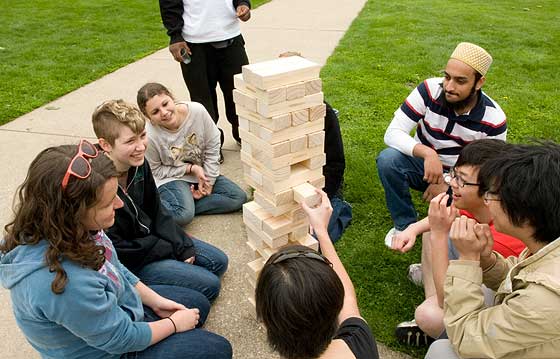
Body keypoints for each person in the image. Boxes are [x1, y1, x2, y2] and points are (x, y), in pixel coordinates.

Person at [0, 142, 232, 358]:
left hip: (118, 308)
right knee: (217, 349)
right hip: (108, 350)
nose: (119, 205)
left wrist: (156, 301)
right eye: (108, 202)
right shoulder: (62, 284)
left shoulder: (76, 228)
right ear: (72, 212)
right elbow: (120, 339)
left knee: (198, 303)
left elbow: (113, 266)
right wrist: (173, 325)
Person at [425, 142, 560, 359]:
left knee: (441, 352)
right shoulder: (547, 247)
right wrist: (487, 262)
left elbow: (465, 340)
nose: (487, 201)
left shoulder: (544, 300)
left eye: (494, 195)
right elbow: (523, 275)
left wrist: (468, 260)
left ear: (527, 213)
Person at [389, 140, 525, 346]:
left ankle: (440, 323)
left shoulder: (501, 240)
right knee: (434, 226)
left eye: (461, 180)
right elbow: (452, 214)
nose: (452, 183)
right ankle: (432, 299)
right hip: (478, 275)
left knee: (428, 315)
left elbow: (450, 299)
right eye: (453, 173)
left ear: (492, 189)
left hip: (494, 307)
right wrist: (413, 229)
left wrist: (438, 233)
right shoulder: (485, 206)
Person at [92, 99, 228, 302]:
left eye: (143, 136)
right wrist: (165, 248)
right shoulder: (96, 183)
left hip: (151, 239)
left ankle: (170, 274)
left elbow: (156, 209)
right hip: (132, 260)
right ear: (105, 144)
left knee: (219, 262)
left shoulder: (138, 163)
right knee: (209, 286)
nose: (141, 147)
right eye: (130, 141)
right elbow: (117, 247)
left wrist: (180, 244)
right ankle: (143, 289)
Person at [376, 42, 507, 246]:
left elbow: (488, 172)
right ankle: (404, 224)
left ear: (479, 82)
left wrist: (447, 180)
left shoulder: (494, 119)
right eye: (447, 77)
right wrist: (428, 154)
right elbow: (392, 133)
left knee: (477, 193)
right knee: (388, 159)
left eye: (460, 81)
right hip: (423, 165)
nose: (449, 86)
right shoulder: (428, 90)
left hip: (461, 181)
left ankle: (444, 227)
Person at [255, 189, 379, 359]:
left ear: (265, 322)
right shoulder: (359, 338)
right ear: (336, 306)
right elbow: (349, 299)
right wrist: (322, 232)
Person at [137, 82, 247, 226]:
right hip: (172, 177)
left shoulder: (197, 111)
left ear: (172, 97)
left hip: (201, 173)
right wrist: (190, 169)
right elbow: (156, 171)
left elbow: (213, 145)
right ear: (148, 117)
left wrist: (210, 181)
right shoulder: (149, 136)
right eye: (155, 112)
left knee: (238, 198)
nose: (164, 112)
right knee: (183, 216)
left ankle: (186, 205)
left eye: (165, 104)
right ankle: (159, 208)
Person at [159, 0, 251, 161]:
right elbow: (169, 3)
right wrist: (175, 35)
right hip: (193, 44)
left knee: (240, 95)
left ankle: (243, 135)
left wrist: (242, 3)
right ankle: (212, 145)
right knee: (202, 101)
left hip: (231, 37)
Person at [278, 51, 353, 242]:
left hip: (321, 187)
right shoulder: (275, 113)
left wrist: (319, 199)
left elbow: (335, 165)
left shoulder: (324, 113)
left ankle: (341, 209)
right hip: (288, 186)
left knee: (312, 238)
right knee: (281, 234)